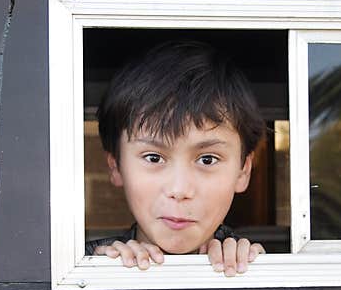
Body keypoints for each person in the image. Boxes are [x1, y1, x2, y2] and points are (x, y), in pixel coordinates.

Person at [86, 41, 266, 277]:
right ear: (116, 166)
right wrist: (101, 271)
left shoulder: (260, 265)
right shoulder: (88, 261)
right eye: (153, 157)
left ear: (243, 171)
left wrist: (253, 270)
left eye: (207, 160)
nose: (179, 190)